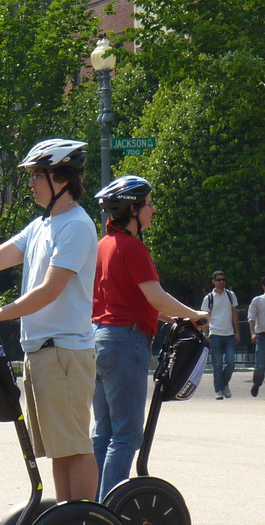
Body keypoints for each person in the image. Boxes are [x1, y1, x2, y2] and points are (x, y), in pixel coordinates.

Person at [0, 139, 99, 503]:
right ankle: (67, 522)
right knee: (58, 448)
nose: (32, 182)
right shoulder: (41, 226)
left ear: (62, 179)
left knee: (75, 446)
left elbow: (50, 290)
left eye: (38, 175)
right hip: (41, 352)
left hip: (65, 351)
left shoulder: (77, 226)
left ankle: (84, 522)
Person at [90, 176, 209, 500]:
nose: (152, 210)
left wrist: (180, 317)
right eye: (148, 204)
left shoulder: (103, 247)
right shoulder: (133, 247)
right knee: (127, 435)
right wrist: (195, 314)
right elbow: (156, 296)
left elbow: (140, 302)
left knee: (103, 432)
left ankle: (90, 508)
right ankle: (109, 510)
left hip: (99, 342)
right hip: (126, 344)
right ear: (133, 208)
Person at [201, 270, 242, 399]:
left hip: (229, 333)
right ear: (213, 282)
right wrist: (205, 335)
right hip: (215, 334)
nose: (221, 282)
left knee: (231, 362)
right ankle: (218, 390)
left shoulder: (230, 295)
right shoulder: (209, 298)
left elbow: (234, 314)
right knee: (217, 365)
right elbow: (205, 318)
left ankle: (224, 384)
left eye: (223, 279)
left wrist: (237, 331)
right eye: (218, 280)